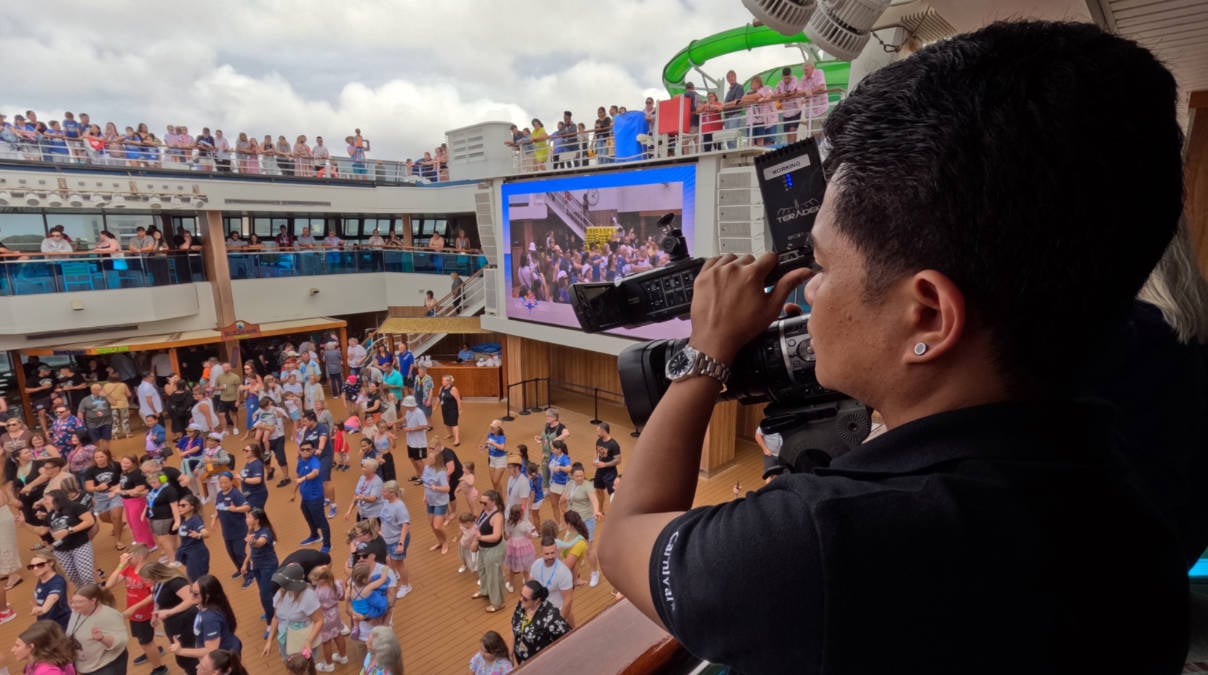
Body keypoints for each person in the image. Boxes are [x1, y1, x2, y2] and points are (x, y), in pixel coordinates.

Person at [599, 21, 1189, 674]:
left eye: (823, 266)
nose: (810, 292)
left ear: (928, 315)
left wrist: (705, 355)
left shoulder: (829, 543)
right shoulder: (1136, 500)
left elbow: (624, 539)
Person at [105, 544, 166, 675]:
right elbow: (109, 585)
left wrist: (135, 607)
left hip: (144, 613)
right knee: (142, 638)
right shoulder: (128, 569)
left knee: (145, 641)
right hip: (134, 613)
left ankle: (159, 668)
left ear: (139, 557)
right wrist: (120, 565)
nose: (127, 559)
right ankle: (152, 652)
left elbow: (154, 594)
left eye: (129, 557)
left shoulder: (147, 572)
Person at [142, 561, 199, 675]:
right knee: (181, 655)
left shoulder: (175, 582)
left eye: (146, 579)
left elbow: (191, 600)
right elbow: (157, 598)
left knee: (187, 654)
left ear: (155, 575)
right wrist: (155, 615)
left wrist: (169, 612)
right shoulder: (159, 583)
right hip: (173, 624)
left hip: (186, 622)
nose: (145, 582)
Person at [168, 575, 241, 661]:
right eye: (190, 591)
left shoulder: (210, 619)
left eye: (195, 594)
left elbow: (210, 650)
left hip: (223, 660)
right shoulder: (209, 605)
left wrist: (180, 651)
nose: (191, 596)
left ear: (207, 596)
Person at [263, 563, 322, 661]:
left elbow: (319, 620)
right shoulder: (280, 594)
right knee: (289, 664)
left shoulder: (308, 596)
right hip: (285, 640)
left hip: (303, 641)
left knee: (307, 666)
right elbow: (276, 618)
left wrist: (309, 641)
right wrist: (269, 641)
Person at [66, 584, 129, 675]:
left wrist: (102, 638)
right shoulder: (77, 612)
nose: (73, 606)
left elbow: (122, 641)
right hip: (86, 666)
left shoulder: (109, 615)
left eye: (79, 602)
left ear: (93, 601)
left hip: (106, 667)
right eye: (72, 602)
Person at [510, 580, 569, 664]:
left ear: (537, 600)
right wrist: (510, 653)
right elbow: (514, 626)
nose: (521, 599)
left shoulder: (551, 617)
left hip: (541, 663)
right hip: (522, 660)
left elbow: (567, 637)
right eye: (521, 595)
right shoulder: (521, 605)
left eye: (525, 599)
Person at [240, 508, 279, 628]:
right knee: (265, 592)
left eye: (249, 517)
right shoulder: (252, 530)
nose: (246, 519)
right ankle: (270, 611)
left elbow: (259, 543)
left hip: (268, 566)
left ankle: (270, 622)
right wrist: (245, 563)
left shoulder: (265, 531)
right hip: (257, 567)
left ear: (257, 520)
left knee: (265, 595)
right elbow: (252, 550)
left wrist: (253, 541)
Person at [307, 565, 348, 672]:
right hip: (335, 614)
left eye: (316, 580)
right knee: (338, 634)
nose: (314, 582)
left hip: (324, 618)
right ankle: (343, 656)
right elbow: (342, 598)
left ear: (322, 580)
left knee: (326, 641)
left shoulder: (318, 593)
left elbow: (313, 606)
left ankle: (329, 665)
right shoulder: (336, 584)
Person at [470, 489, 506, 613]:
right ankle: (485, 591)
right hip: (483, 548)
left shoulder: (497, 516)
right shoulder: (485, 510)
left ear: (493, 502)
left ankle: (497, 603)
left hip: (494, 550)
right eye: (481, 502)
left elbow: (496, 536)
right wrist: (475, 541)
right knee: (482, 570)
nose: (482, 505)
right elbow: (478, 526)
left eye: (485, 503)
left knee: (493, 576)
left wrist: (480, 538)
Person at [210, 473, 250, 574]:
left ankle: (248, 572)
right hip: (227, 532)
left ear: (231, 482)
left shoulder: (235, 494)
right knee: (231, 553)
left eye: (225, 482)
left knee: (239, 553)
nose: (223, 485)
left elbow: (247, 507)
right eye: (221, 483)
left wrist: (236, 509)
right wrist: (214, 518)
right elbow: (218, 507)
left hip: (239, 530)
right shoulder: (219, 494)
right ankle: (240, 569)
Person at [529, 536, 574, 626]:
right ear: (541, 553)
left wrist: (559, 621)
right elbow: (530, 587)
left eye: (552, 553)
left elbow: (567, 601)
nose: (550, 556)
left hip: (558, 612)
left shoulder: (563, 572)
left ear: (556, 551)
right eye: (547, 554)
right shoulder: (536, 565)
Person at [294, 443, 331, 553]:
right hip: (305, 497)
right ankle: (314, 535)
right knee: (308, 517)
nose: (305, 451)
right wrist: (294, 491)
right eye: (303, 449)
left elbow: (315, 472)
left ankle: (327, 545)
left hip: (315, 497)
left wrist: (303, 478)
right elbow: (298, 475)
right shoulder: (300, 462)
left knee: (321, 520)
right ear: (299, 451)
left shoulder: (314, 461)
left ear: (312, 450)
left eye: (308, 449)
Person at [11, 620, 80, 675]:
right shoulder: (37, 660)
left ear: (31, 647)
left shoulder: (47, 672)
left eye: (17, 646)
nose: (12, 650)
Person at [173, 493, 210, 581]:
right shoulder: (184, 519)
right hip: (188, 554)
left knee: (198, 580)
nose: (180, 507)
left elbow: (206, 533)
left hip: (197, 554)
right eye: (179, 505)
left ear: (192, 507)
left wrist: (199, 535)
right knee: (193, 577)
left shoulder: (195, 520)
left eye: (183, 505)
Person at [29, 554, 71, 629]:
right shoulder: (41, 579)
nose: (35, 568)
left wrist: (44, 609)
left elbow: (53, 597)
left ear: (51, 563)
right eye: (31, 566)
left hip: (60, 623)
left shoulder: (57, 581)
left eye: (40, 565)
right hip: (45, 622)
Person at [421, 449, 451, 553]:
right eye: (428, 457)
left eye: (431, 458)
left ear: (436, 460)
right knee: (431, 523)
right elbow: (426, 483)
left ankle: (445, 542)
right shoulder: (426, 467)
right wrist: (425, 495)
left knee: (437, 526)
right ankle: (440, 541)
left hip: (440, 501)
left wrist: (436, 488)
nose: (428, 460)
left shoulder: (441, 472)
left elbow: (447, 488)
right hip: (430, 500)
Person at [400, 396, 428, 484]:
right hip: (410, 441)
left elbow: (424, 426)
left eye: (407, 405)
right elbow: (405, 418)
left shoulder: (419, 413)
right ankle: (418, 474)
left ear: (412, 405)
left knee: (418, 460)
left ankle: (424, 477)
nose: (406, 407)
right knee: (412, 458)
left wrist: (410, 429)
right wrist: (394, 422)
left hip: (418, 442)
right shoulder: (408, 411)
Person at [437, 375, 462, 446]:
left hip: (453, 410)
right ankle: (450, 434)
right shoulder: (441, 388)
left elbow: (458, 399)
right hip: (444, 409)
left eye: (443, 380)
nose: (442, 382)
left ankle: (457, 440)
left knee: (454, 424)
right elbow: (439, 397)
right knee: (446, 423)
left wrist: (459, 409)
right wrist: (435, 406)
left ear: (448, 382)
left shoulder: (453, 389)